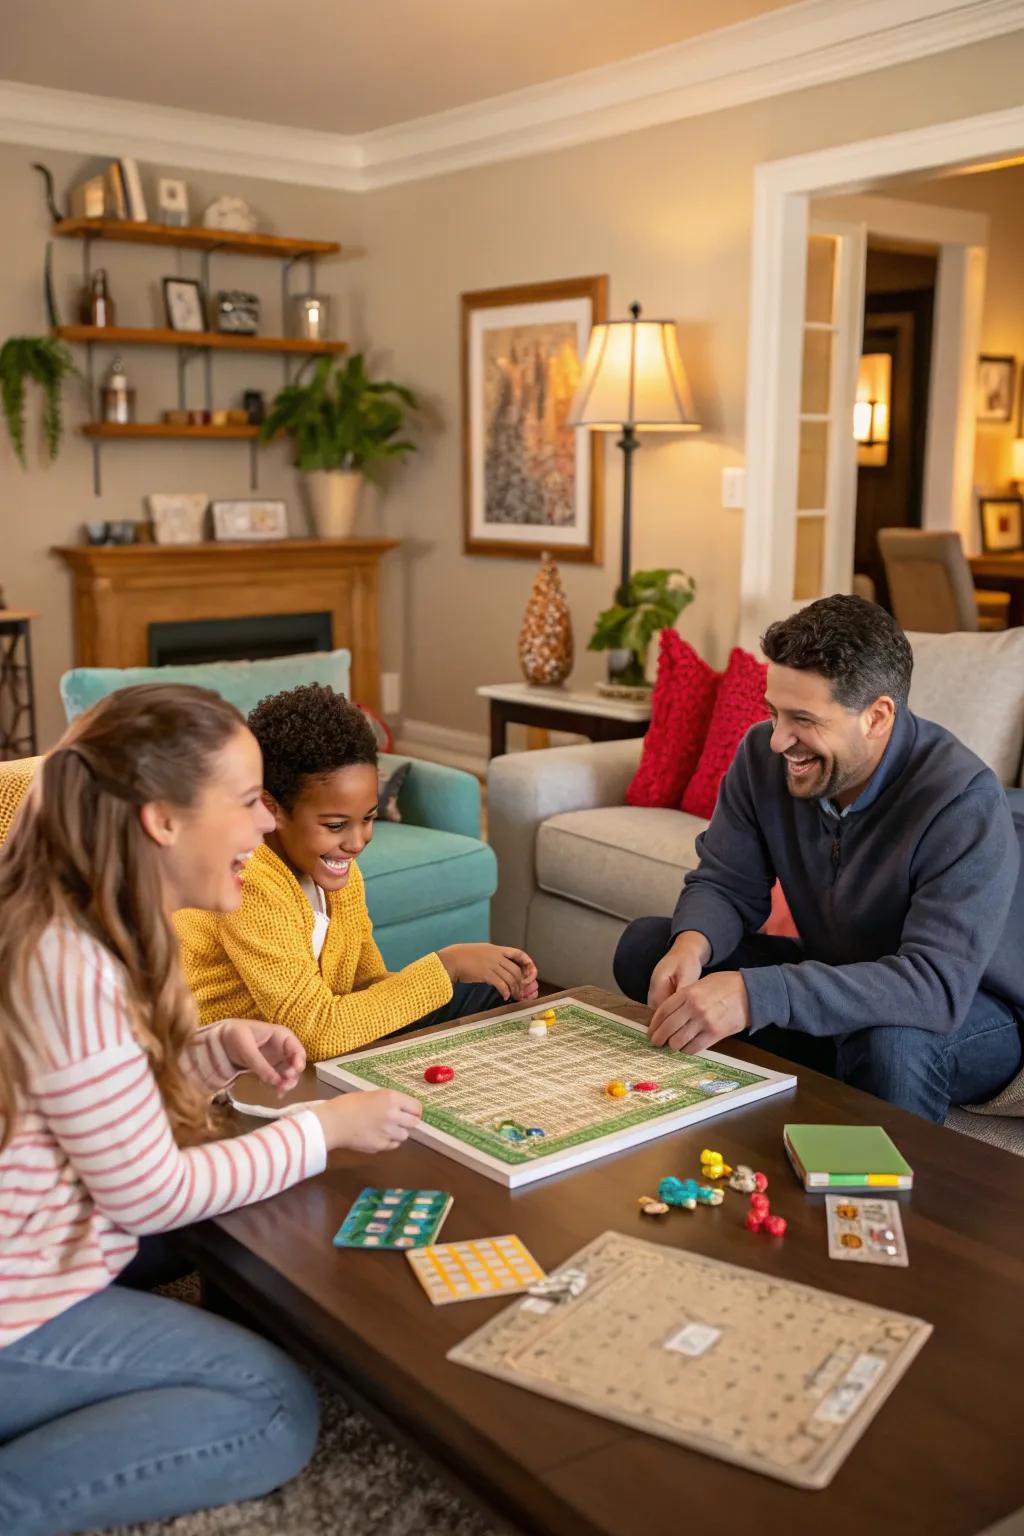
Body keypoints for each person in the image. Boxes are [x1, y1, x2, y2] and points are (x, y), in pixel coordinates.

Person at [0, 685, 423, 1535]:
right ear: (163, 820)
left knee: (228, 1236)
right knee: (272, 1405)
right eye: (246, 802)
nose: (266, 826)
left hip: (48, 1245)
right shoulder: (74, 963)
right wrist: (325, 1130)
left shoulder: (90, 922)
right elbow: (147, 1195)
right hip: (18, 1298)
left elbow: (92, 1097)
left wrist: (213, 1043)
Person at [613, 595, 1024, 1123]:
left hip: (973, 1009)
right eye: (773, 712)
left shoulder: (961, 799)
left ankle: (896, 1198)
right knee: (648, 947)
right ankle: (766, 1103)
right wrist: (692, 945)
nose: (779, 739)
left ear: (876, 717)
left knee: (890, 1043)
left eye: (802, 720)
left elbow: (933, 987)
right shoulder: (762, 757)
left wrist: (759, 995)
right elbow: (723, 882)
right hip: (840, 971)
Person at [176, 683, 538, 1062]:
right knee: (450, 984)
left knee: (488, 989)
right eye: (336, 825)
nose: (357, 841)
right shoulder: (250, 882)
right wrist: (447, 965)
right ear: (272, 809)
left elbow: (367, 987)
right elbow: (313, 1033)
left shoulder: (338, 873)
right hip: (241, 1060)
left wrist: (468, 972)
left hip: (312, 1037)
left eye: (368, 819)